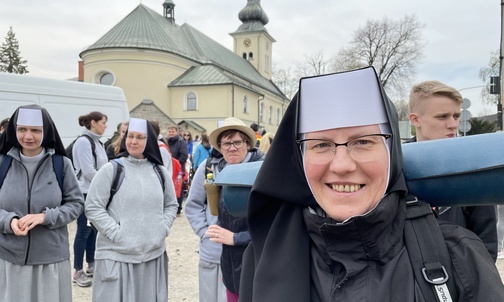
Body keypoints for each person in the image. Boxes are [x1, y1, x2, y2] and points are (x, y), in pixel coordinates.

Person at [239, 67, 504, 301]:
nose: (342, 165)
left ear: (392, 152)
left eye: (363, 141)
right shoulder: (262, 256)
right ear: (299, 158)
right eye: (321, 144)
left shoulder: (459, 255)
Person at [85, 118, 178, 301]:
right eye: (131, 136)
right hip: (117, 255)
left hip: (153, 255)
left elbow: (171, 204)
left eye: (140, 137)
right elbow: (93, 206)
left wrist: (162, 228)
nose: (134, 141)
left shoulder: (160, 172)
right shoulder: (111, 170)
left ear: (149, 141)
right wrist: (116, 233)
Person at [406, 80, 498, 261]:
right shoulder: (394, 166)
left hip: (461, 278)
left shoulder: (472, 166)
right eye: (442, 117)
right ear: (415, 119)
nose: (453, 124)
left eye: (456, 116)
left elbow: (486, 239)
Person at [0, 105, 84, 301]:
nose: (28, 136)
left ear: (46, 131)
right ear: (14, 130)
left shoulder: (61, 164)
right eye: (22, 129)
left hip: (50, 259)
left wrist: (46, 216)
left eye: (35, 130)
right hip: (9, 257)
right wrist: (9, 221)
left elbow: (76, 204)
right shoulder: (3, 163)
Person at [185, 117, 265, 302]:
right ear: (220, 147)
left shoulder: (262, 171)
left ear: (247, 143)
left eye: (237, 142)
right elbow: (194, 204)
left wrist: (238, 238)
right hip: (215, 251)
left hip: (252, 252)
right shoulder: (208, 168)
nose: (232, 148)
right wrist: (205, 233)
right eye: (226, 143)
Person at [72, 111, 109, 287]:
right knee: (84, 230)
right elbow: (88, 170)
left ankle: (92, 265)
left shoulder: (97, 142)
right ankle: (78, 271)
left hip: (96, 192)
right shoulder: (83, 142)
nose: (105, 126)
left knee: (94, 230)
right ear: (93, 123)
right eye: (103, 122)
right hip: (86, 193)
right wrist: (107, 183)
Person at [166, 124, 188, 215]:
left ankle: (178, 208)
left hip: (178, 169)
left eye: (173, 131)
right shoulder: (166, 141)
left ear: (177, 132)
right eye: (169, 131)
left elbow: (184, 156)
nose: (171, 133)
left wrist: (175, 163)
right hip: (168, 168)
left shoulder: (181, 142)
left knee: (178, 187)